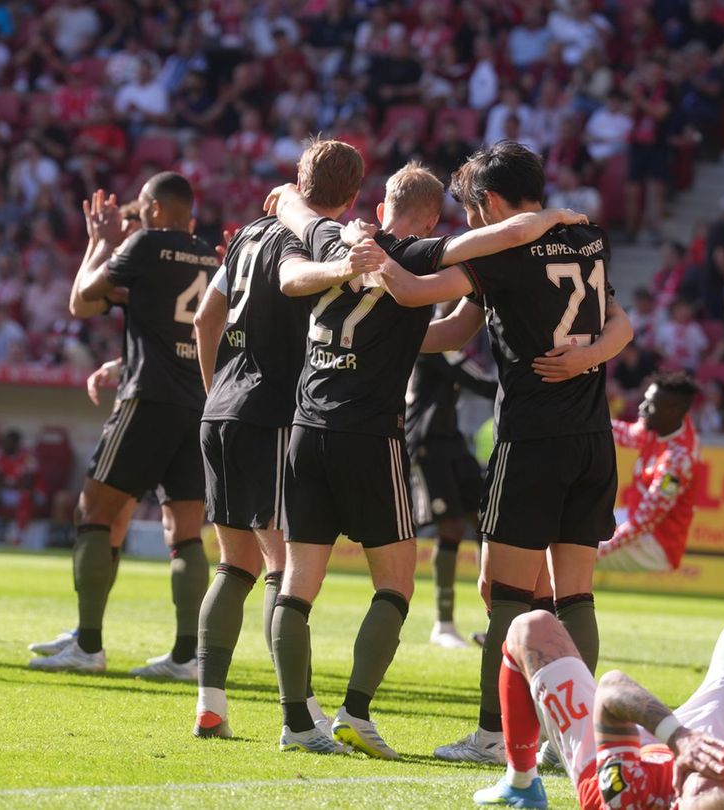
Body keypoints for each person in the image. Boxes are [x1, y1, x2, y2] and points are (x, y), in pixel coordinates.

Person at [263, 159, 590, 759]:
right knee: (395, 584)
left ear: (380, 207)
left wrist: (287, 193)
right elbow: (506, 237)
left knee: (296, 584)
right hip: (372, 435)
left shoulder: (332, 239)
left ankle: (295, 723)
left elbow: (293, 220)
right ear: (435, 219)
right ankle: (356, 712)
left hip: (306, 428)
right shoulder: (418, 256)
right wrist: (553, 217)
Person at [358, 142, 632, 765]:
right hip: (592, 437)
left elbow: (414, 292)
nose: (472, 224)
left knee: (505, 593)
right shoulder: (586, 237)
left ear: (490, 202)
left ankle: (494, 736)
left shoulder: (504, 250)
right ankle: (571, 737)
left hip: (532, 439)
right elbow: (461, 330)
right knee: (574, 597)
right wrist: (590, 357)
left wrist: (374, 266)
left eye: (473, 211)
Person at [187, 140, 362, 739]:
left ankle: (210, 702)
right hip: (273, 413)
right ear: (351, 197)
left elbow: (204, 319)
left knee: (233, 563)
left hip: (221, 411)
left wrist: (216, 393)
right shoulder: (312, 241)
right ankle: (300, 716)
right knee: (284, 567)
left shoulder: (247, 234)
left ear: (299, 178)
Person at [31, 175, 217, 679]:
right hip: (198, 404)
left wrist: (101, 242)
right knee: (185, 532)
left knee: (94, 512)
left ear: (153, 210)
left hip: (148, 398)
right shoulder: (209, 257)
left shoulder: (145, 245)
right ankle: (186, 656)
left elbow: (81, 299)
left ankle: (88, 645)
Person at [472, 612, 724, 810]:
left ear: (678, 793)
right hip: (702, 741)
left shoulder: (629, 795)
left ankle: (521, 782)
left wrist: (678, 738)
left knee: (530, 627)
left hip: (612, 752)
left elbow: (612, 690)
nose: (717, 768)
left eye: (702, 779)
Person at [405, 318, 496, 649]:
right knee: (452, 527)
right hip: (427, 443)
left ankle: (498, 620)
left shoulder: (443, 341)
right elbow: (475, 379)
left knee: (486, 522)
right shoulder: (432, 337)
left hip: (451, 441)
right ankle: (443, 624)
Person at [598, 373, 701, 573]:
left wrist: (598, 550)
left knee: (572, 551)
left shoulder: (678, 461)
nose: (642, 408)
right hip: (634, 519)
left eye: (650, 404)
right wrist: (586, 424)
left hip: (656, 545)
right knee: (572, 531)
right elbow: (628, 435)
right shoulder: (661, 424)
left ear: (673, 411)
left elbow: (644, 521)